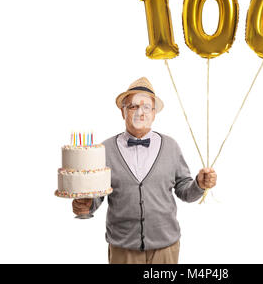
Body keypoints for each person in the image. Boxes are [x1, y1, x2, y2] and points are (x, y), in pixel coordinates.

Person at [72, 77, 217, 264]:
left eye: (146, 107)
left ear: (154, 113)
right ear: (122, 111)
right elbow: (96, 194)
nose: (140, 112)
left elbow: (185, 191)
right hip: (123, 248)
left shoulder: (171, 146)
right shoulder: (104, 150)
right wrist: (85, 205)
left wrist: (199, 184)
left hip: (166, 248)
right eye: (133, 106)